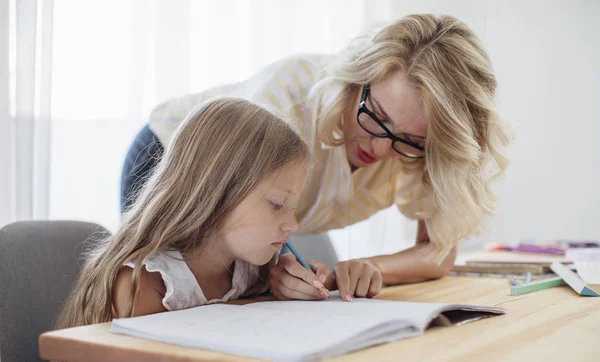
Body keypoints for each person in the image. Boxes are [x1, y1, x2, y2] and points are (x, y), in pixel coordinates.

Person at [121, 14, 510, 301]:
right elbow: (235, 212)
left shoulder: (423, 151)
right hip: (180, 161)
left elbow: (437, 251)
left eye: (410, 140)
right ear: (357, 80)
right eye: (376, 117)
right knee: (169, 300)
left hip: (251, 215)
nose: (379, 150)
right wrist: (275, 267)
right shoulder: (286, 99)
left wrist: (368, 268)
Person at [48, 98, 371, 362]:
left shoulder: (248, 269)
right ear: (216, 193)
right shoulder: (143, 283)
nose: (293, 224)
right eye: (276, 204)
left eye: (293, 207)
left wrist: (297, 291)